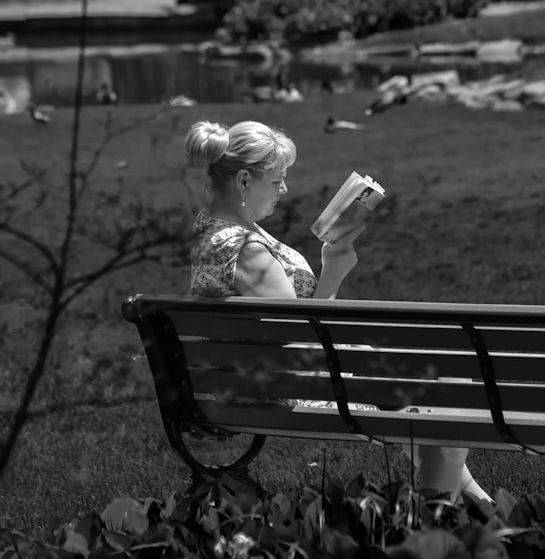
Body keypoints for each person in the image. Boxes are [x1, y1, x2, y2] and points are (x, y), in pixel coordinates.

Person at [183, 119, 493, 504]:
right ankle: (442, 517)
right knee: (449, 398)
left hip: (264, 380)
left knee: (428, 401)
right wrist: (333, 273)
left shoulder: (210, 228)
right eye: (277, 179)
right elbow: (300, 336)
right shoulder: (246, 248)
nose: (284, 189)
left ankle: (484, 511)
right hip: (287, 390)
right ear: (244, 181)